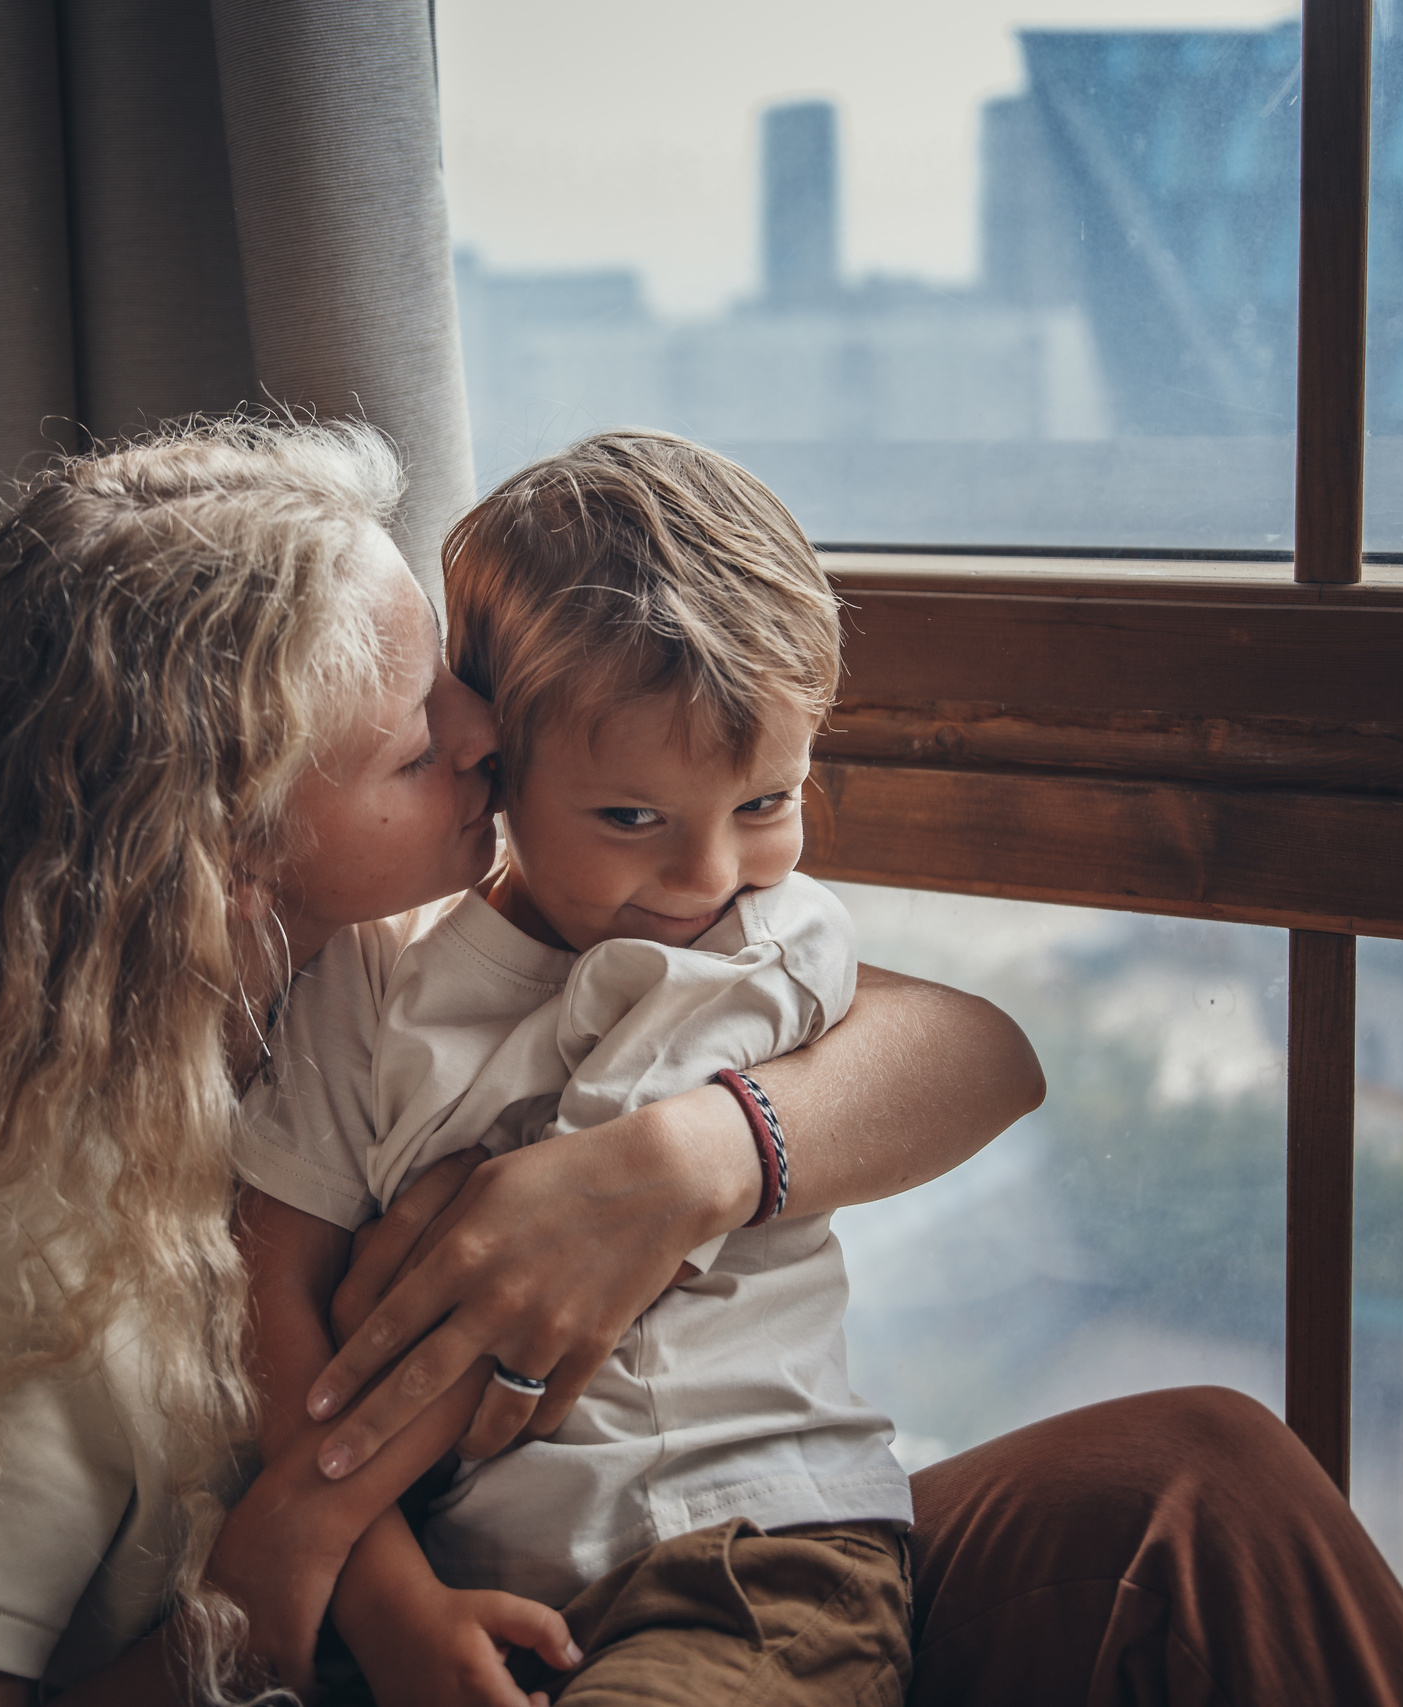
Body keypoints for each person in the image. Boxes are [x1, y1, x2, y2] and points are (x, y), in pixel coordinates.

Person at [0, 417, 1048, 1707]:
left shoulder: (388, 947)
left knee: (1195, 1481)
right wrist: (279, 1569)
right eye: (416, 733)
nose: (482, 731)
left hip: (722, 1525)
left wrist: (675, 1163)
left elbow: (974, 1051)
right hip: (492, 1598)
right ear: (226, 848)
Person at [235, 432, 911, 1704]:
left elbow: (979, 1058)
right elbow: (270, 1293)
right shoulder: (370, 984)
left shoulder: (775, 941)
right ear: (494, 767)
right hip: (477, 1579)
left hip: (749, 1547)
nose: (710, 877)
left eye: (767, 803)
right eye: (631, 818)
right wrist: (383, 1599)